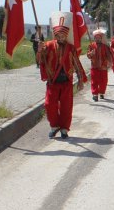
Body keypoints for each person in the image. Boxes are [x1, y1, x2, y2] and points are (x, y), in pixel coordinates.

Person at [37, 11, 87, 139]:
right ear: (55, 34)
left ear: (66, 35)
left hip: (66, 82)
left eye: (63, 35)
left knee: (66, 107)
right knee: (49, 105)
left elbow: (76, 63)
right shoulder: (48, 45)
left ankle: (64, 129)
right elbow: (40, 61)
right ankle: (54, 126)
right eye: (58, 35)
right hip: (53, 82)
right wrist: (40, 51)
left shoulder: (71, 48)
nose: (61, 37)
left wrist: (80, 79)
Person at [87, 28, 113, 101]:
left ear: (101, 38)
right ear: (94, 38)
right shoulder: (91, 46)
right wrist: (90, 54)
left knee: (103, 82)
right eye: (96, 38)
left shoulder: (105, 46)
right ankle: (95, 94)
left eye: (99, 38)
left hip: (103, 67)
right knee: (94, 81)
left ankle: (101, 93)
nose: (97, 39)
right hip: (94, 67)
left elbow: (109, 55)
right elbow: (88, 55)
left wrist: (110, 62)